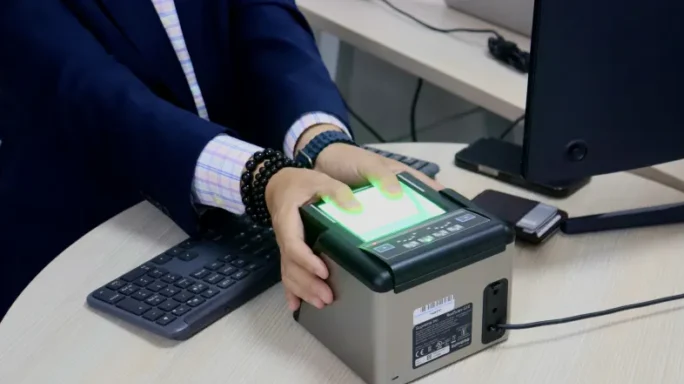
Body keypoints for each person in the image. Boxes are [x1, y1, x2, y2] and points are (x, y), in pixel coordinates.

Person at [0, 0, 442, 319]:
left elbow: (266, 23)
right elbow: (93, 94)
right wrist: (262, 177)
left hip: (241, 218)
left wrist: (319, 142)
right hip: (89, 243)